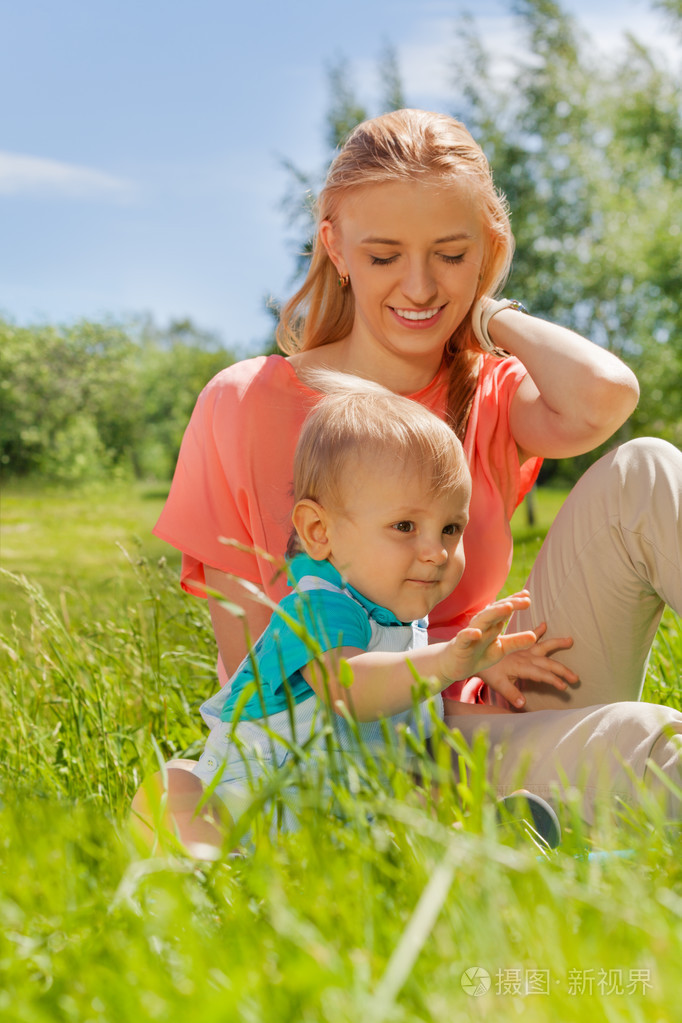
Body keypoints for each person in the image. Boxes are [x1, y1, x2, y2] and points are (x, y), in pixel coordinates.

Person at [141, 108, 682, 849]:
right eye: (386, 253)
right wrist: (442, 693)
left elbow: (605, 395)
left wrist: (484, 315)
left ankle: (541, 809)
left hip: (510, 681)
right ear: (334, 244)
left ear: (486, 250)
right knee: (646, 742)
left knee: (648, 468)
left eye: (451, 255)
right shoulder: (244, 403)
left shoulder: (483, 387)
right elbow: (261, 681)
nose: (420, 286)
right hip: (386, 745)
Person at [190, 374, 554, 833]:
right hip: (266, 795)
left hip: (344, 796)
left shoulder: (392, 605)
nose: (436, 552)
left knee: (419, 790)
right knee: (208, 817)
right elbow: (349, 690)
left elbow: (397, 715)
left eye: (450, 528)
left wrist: (476, 662)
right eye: (405, 526)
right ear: (320, 532)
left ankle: (466, 839)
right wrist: (446, 663)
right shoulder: (320, 607)